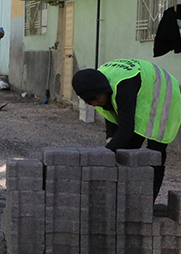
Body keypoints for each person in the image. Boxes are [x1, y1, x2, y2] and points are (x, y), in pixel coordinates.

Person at [72, 59, 181, 202]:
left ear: (104, 90)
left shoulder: (123, 86)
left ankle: (148, 205)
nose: (94, 104)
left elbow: (127, 127)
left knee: (155, 154)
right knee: (125, 151)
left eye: (95, 99)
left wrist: (106, 153)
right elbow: (110, 113)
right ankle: (125, 201)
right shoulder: (96, 85)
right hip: (142, 93)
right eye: (88, 102)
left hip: (163, 93)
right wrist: (111, 139)